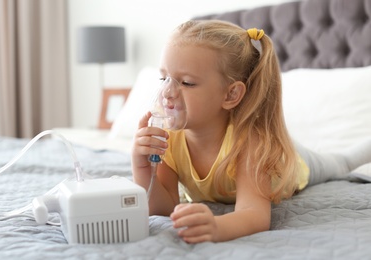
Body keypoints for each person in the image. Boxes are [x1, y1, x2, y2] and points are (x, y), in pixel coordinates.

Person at [131, 20, 371, 243]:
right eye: (164, 78)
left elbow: (254, 214)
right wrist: (141, 166)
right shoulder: (167, 139)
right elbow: (164, 208)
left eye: (187, 82)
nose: (168, 93)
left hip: (293, 164)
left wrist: (216, 227)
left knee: (341, 163)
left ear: (231, 94)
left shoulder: (249, 142)